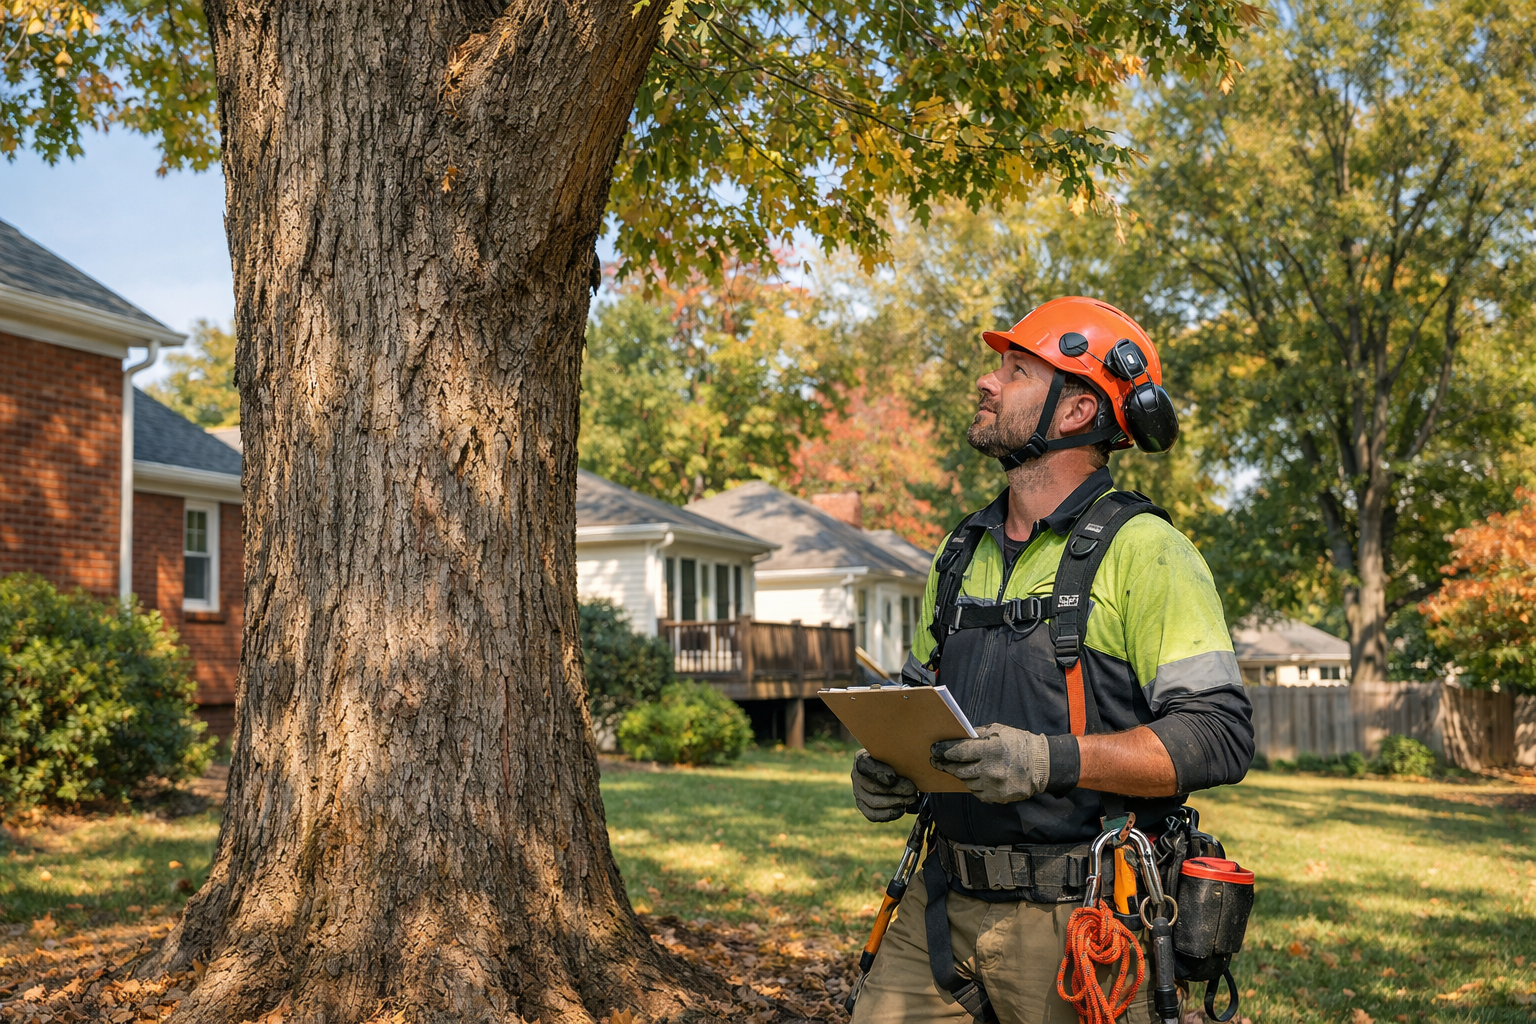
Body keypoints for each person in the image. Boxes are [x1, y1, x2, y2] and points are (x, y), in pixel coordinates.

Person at [848, 297, 1253, 1024]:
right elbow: (921, 698)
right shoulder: (957, 552)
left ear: (1072, 414)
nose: (987, 382)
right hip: (941, 904)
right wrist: (894, 770)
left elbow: (1219, 733)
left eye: (1015, 369)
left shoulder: (1147, 552)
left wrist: (1048, 760)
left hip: (1085, 919)